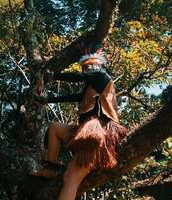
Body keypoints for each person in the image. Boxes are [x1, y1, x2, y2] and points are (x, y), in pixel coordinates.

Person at [31, 43, 127, 200]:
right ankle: (50, 168)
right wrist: (47, 99)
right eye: (85, 67)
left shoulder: (102, 77)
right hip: (83, 130)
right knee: (55, 127)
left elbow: (78, 77)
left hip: (98, 133)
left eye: (91, 66)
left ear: (99, 65)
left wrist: (53, 75)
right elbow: (74, 97)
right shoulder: (90, 87)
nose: (87, 69)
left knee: (70, 179)